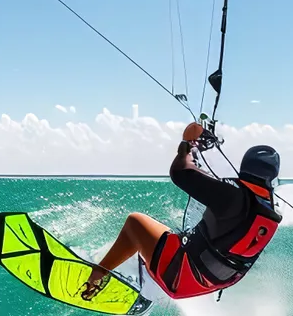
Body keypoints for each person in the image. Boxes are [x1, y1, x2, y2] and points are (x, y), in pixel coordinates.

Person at [82, 124, 281, 301]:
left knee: (135, 222)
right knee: (163, 233)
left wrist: (188, 142)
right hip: (209, 283)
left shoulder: (233, 197)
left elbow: (180, 173)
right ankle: (146, 280)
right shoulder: (267, 212)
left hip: (181, 274)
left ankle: (98, 275)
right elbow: (211, 186)